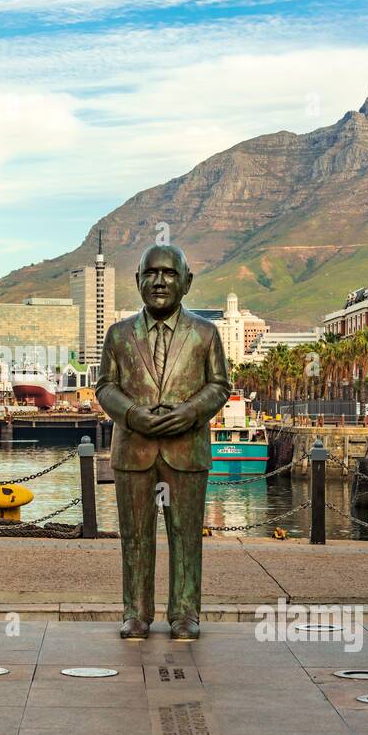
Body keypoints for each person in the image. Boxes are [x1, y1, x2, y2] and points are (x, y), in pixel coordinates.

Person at [95, 244, 230, 640]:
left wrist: (190, 411)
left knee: (186, 536)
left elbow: (220, 385)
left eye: (169, 274)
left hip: (185, 451)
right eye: (150, 273)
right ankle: (135, 612)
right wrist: (132, 414)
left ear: (186, 282)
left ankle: (185, 613)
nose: (159, 281)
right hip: (133, 450)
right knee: (134, 535)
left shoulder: (205, 333)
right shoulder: (118, 334)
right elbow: (105, 386)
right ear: (137, 281)